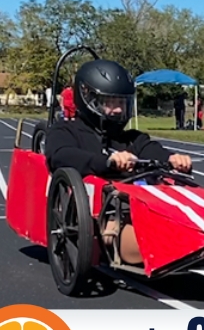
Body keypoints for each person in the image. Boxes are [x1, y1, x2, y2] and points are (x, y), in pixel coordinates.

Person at [45, 59, 192, 265]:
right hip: (102, 215)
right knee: (144, 243)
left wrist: (172, 159)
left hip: (147, 207)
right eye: (109, 102)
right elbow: (60, 155)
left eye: (121, 103)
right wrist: (107, 162)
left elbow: (151, 149)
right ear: (90, 100)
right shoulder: (64, 132)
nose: (116, 110)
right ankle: (182, 249)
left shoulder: (132, 138)